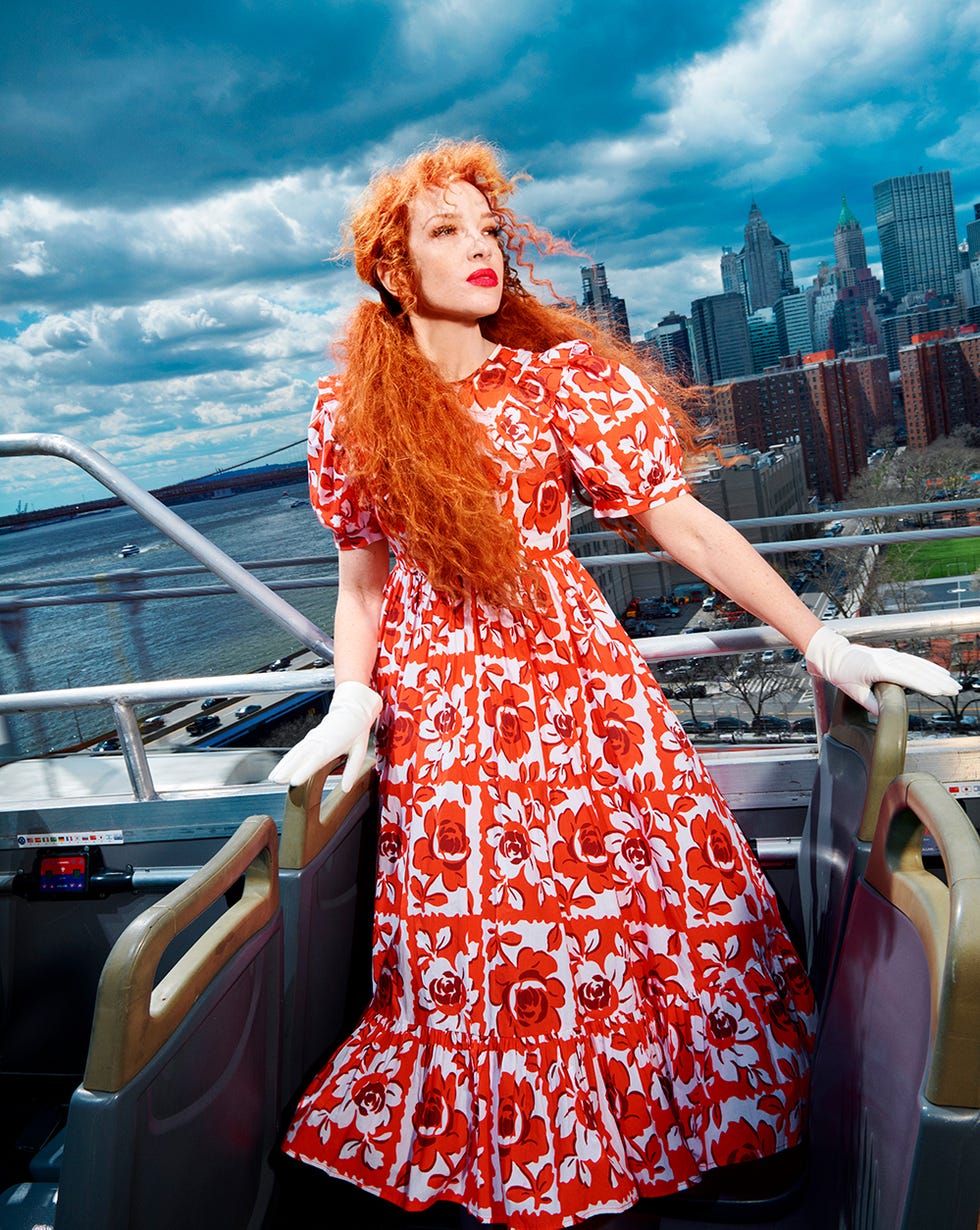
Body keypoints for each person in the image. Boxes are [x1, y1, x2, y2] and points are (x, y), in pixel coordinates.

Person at [270, 140, 958, 1229]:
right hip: (444, 711)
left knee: (626, 914)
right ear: (394, 268)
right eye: (444, 231)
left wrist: (817, 640)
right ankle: (516, 1155)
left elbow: (677, 520)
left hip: (572, 686)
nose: (481, 248)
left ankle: (665, 1145)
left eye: (487, 228)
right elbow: (361, 584)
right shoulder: (349, 409)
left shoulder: (557, 382)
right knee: (477, 937)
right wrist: (350, 701)